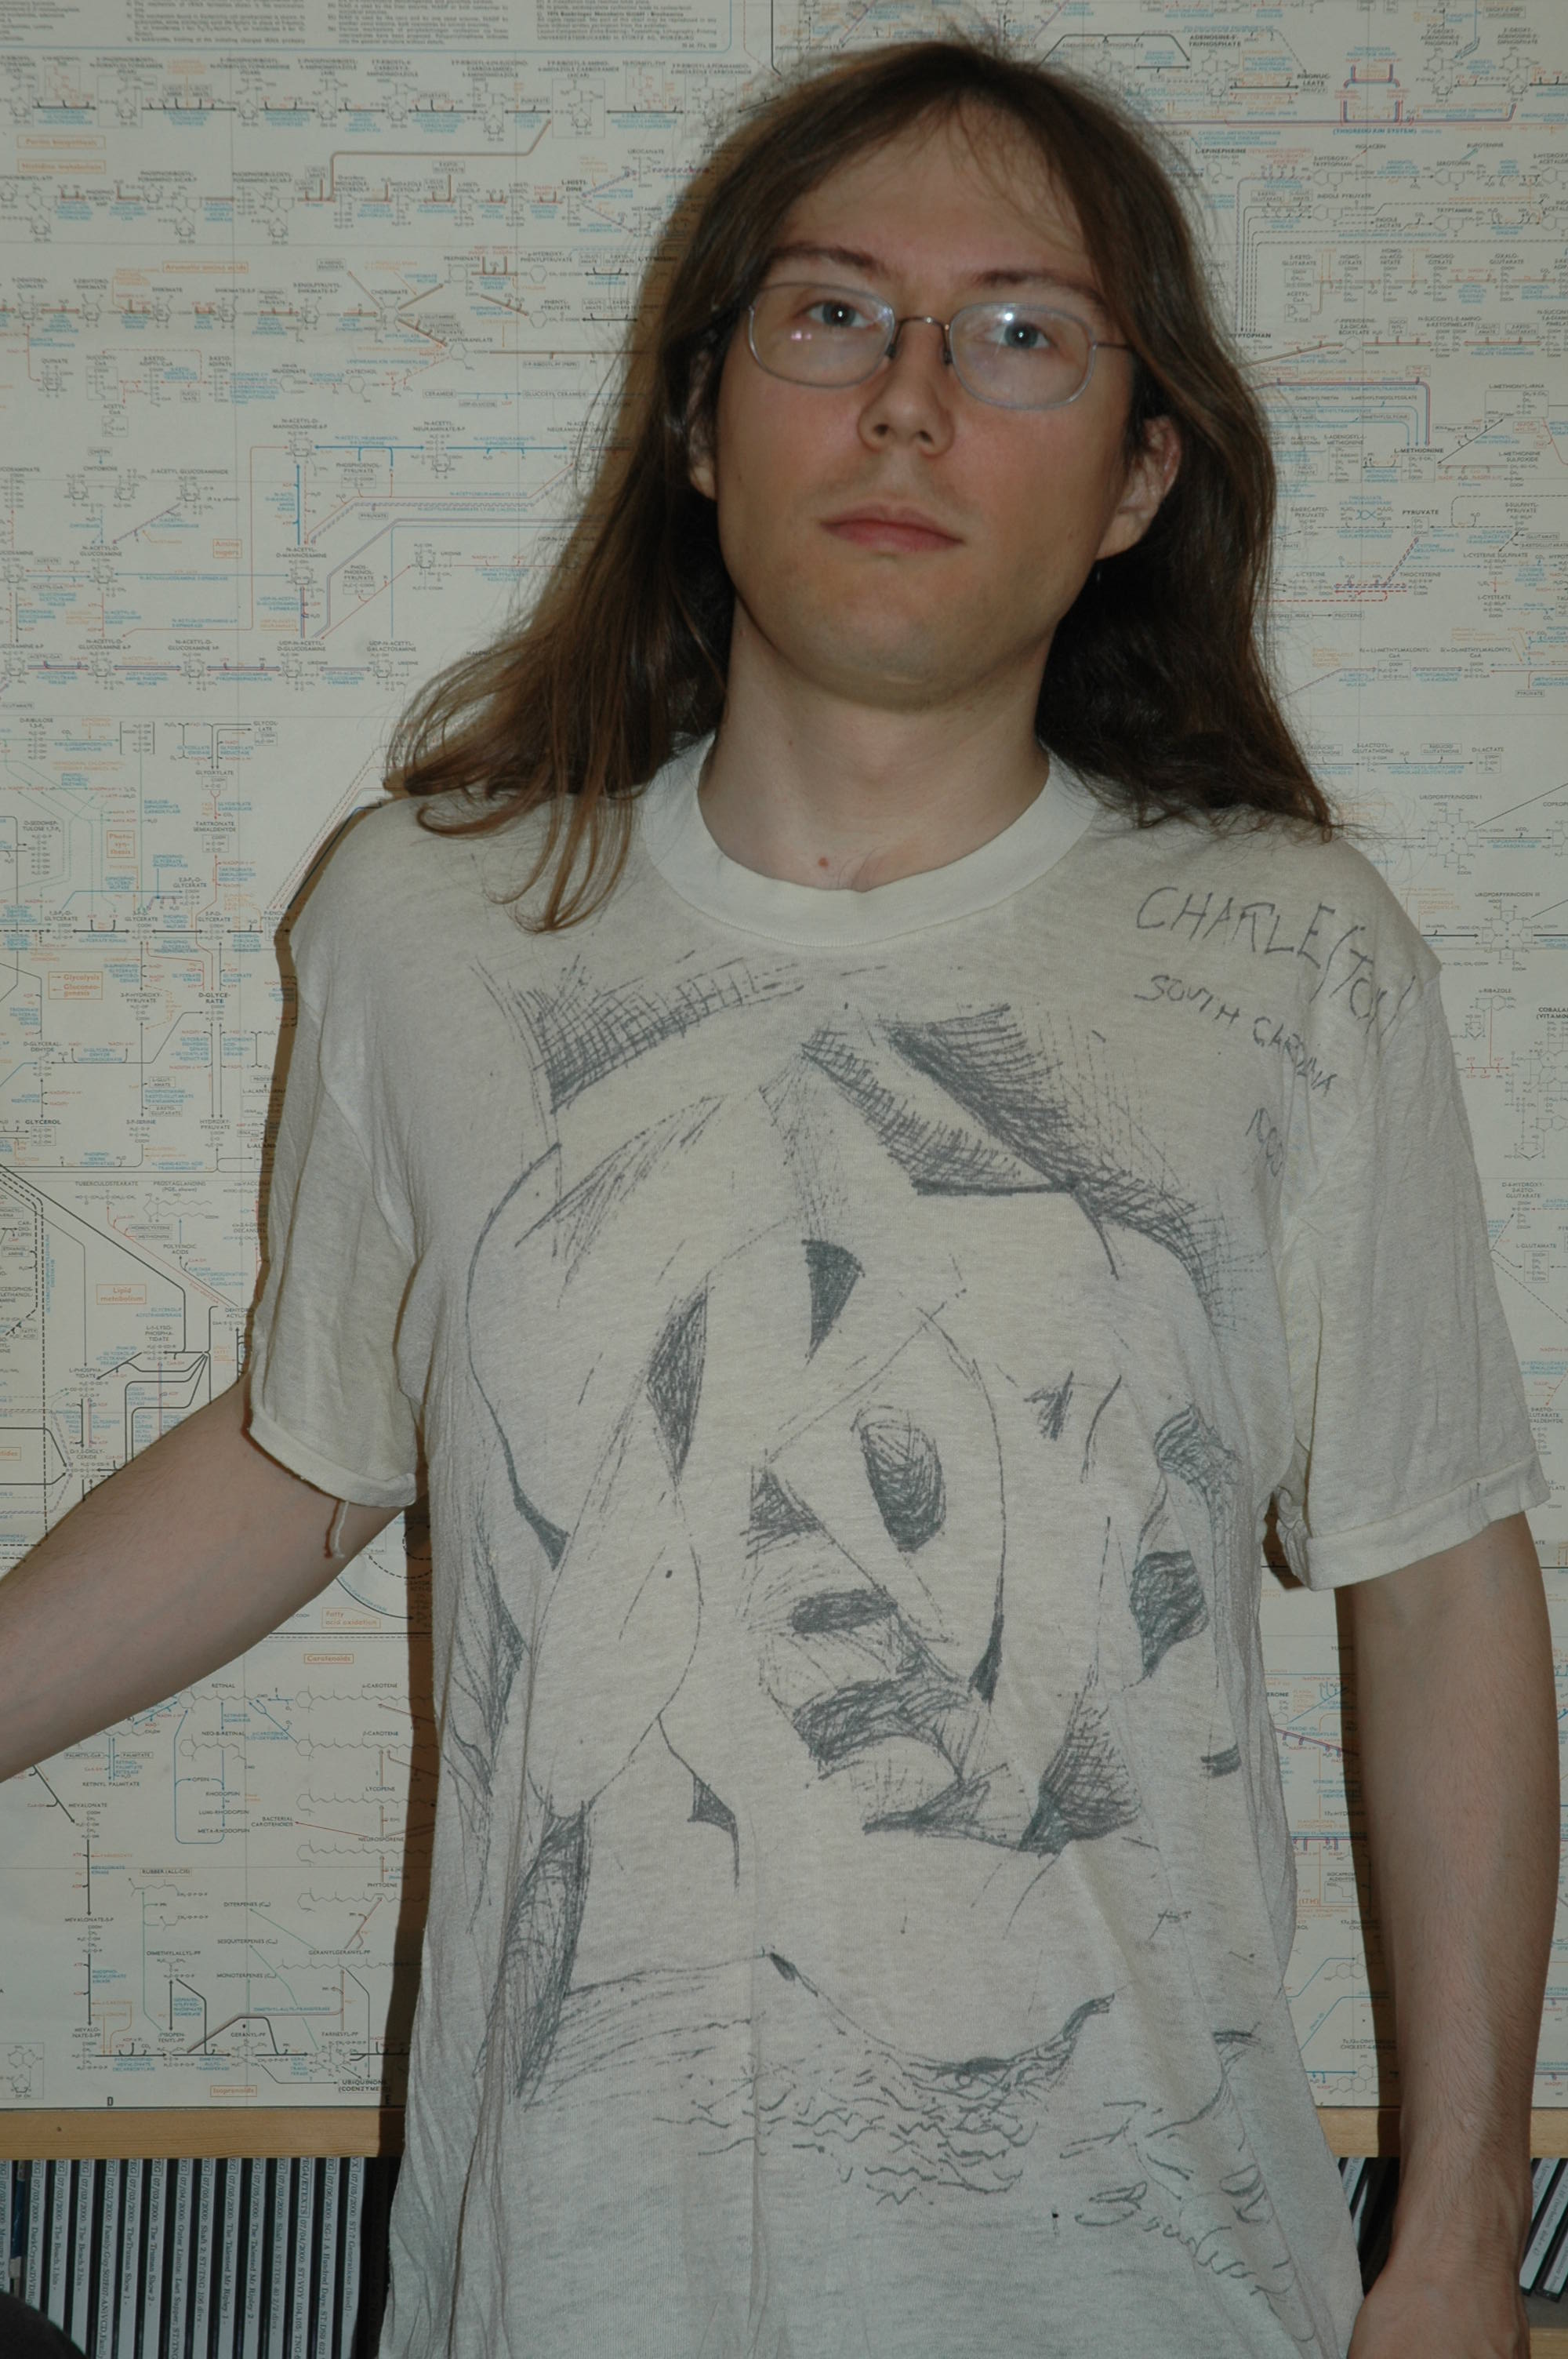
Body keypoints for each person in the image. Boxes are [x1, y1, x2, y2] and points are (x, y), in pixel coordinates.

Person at [0, 34, 1555, 2359]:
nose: (911, 402)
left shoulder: (1293, 956)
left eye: (1020, 333)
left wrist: (1457, 2239)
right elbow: (314, 1453)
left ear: (1139, 476)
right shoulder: (430, 920)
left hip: (1149, 2292)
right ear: (703, 422)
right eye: (833, 315)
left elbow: (1436, 1583)